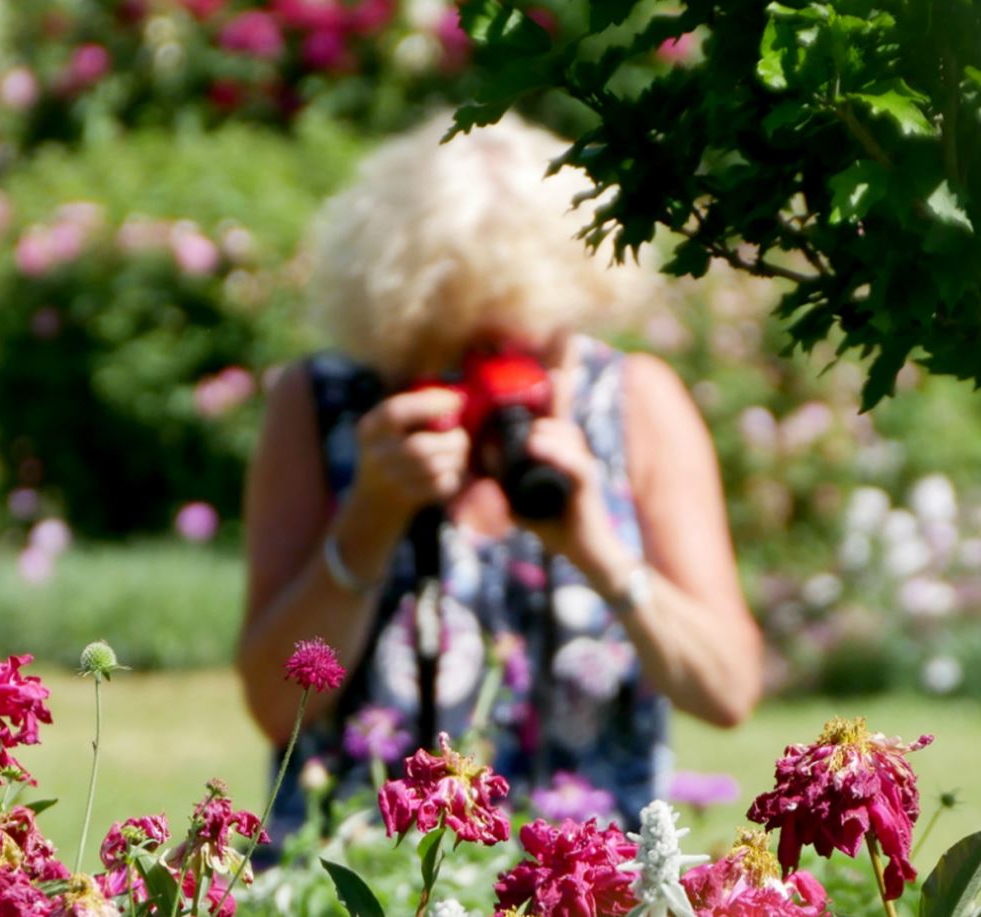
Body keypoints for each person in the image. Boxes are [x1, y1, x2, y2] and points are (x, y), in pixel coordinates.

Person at [236, 112, 765, 834]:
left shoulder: (633, 402)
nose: (494, 390)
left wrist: (596, 548)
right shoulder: (324, 405)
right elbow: (273, 704)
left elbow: (727, 689)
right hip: (367, 879)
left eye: (523, 352)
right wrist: (370, 518)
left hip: (584, 885)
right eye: (459, 356)